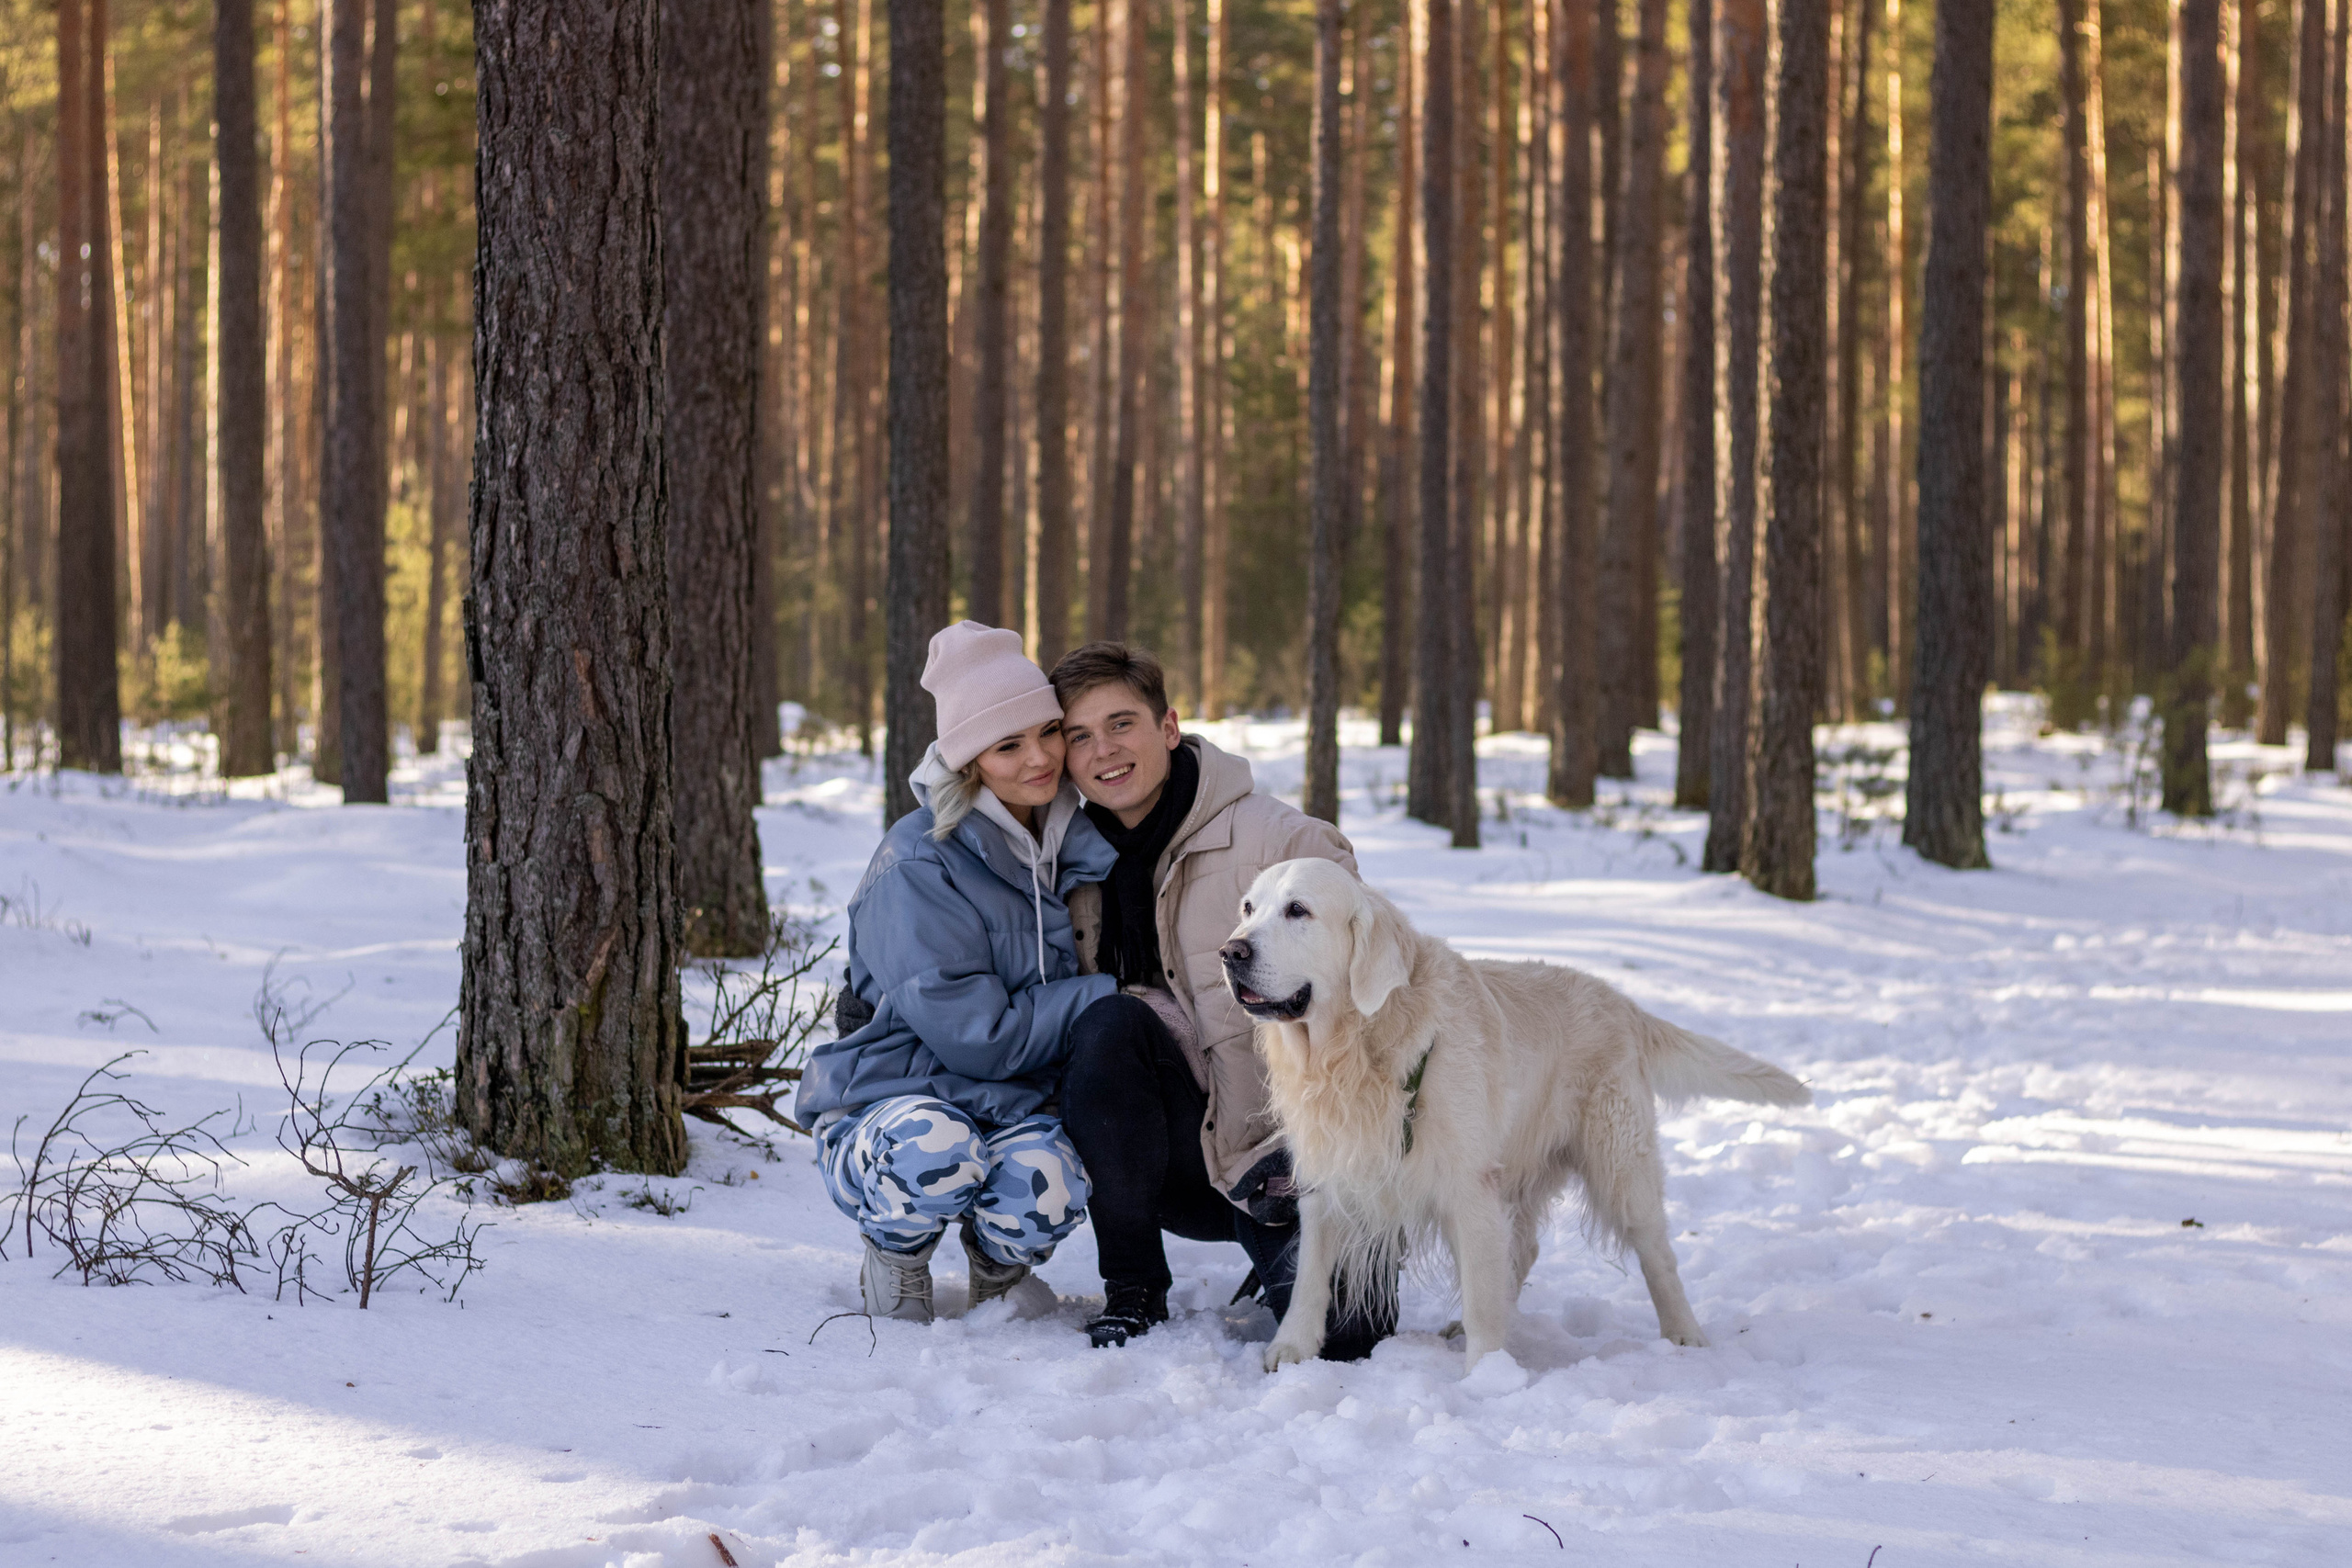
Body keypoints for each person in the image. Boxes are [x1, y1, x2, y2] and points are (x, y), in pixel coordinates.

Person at [1048, 641, 1394, 1357]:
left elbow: (1363, 944)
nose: (1103, 750)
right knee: (1107, 1023)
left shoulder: (1269, 836)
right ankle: (1134, 1285)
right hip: (1170, 1153)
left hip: (1283, 1152)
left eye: (1121, 724)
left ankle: (1279, 1249)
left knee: (1350, 1339)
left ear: (1169, 727)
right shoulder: (1073, 864)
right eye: (1080, 735)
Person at [796, 622, 1118, 1323]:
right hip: (894, 1094)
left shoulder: (1075, 843)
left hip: (1012, 1099)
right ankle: (895, 1251)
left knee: (1054, 1179)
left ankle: (996, 1268)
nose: (1040, 757)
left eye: (1048, 731)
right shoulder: (919, 861)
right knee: (937, 1148)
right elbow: (982, 1038)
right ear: (969, 759)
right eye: (1008, 745)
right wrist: (1106, 996)